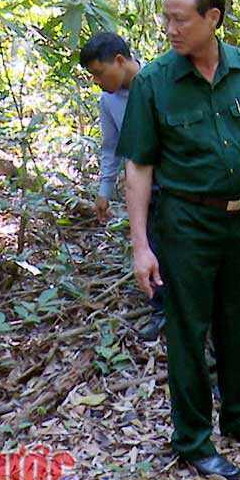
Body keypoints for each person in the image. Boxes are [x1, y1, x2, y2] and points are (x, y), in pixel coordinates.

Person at [116, 0, 240, 480]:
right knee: (188, 330)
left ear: (211, 19)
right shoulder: (154, 81)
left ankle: (239, 418)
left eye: (180, 18)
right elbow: (139, 167)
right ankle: (192, 438)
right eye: (166, 17)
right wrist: (140, 246)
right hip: (185, 223)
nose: (169, 28)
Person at [78, 32, 166, 339]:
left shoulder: (161, 80)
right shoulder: (108, 101)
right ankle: (160, 310)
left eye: (99, 73)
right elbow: (111, 146)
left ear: (119, 61)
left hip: (177, 179)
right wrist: (104, 191)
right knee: (150, 241)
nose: (97, 81)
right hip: (142, 185)